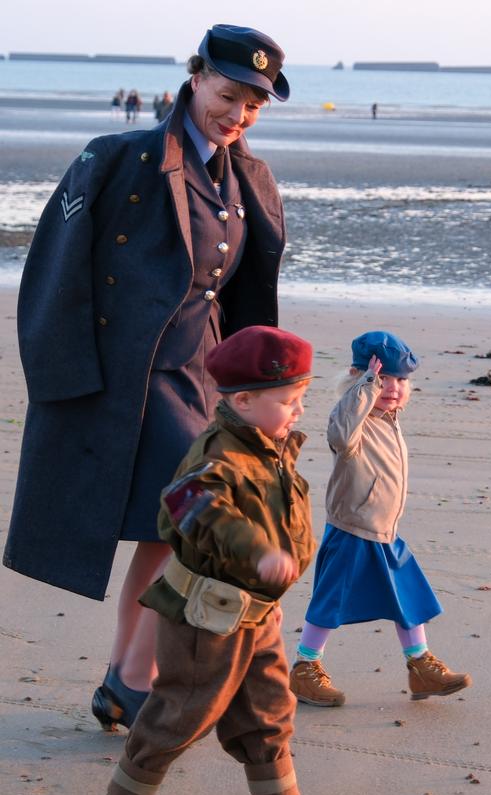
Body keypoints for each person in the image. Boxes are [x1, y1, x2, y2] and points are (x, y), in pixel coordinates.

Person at [3, 24, 293, 733]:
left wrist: (256, 387)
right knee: (190, 516)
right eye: (229, 96)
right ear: (195, 78)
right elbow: (53, 268)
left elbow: (242, 289)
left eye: (253, 105)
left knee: (167, 531)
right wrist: (64, 382)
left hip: (204, 374)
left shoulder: (248, 176)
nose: (238, 115)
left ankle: (121, 680)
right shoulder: (119, 160)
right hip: (131, 375)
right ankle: (138, 678)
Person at [87, 325, 357, 795]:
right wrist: (256, 552)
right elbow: (185, 507)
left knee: (268, 712)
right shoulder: (218, 456)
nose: (298, 412)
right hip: (205, 618)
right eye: (289, 401)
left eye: (301, 399)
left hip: (258, 616)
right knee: (181, 712)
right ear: (244, 400)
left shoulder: (271, 446)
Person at [289, 331, 472, 707]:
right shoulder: (350, 417)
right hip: (352, 530)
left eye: (400, 380)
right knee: (329, 602)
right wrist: (366, 387)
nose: (391, 388)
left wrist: (377, 391)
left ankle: (420, 665)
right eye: (381, 378)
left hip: (386, 531)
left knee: (409, 598)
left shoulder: (390, 419)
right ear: (358, 379)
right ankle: (305, 668)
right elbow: (341, 435)